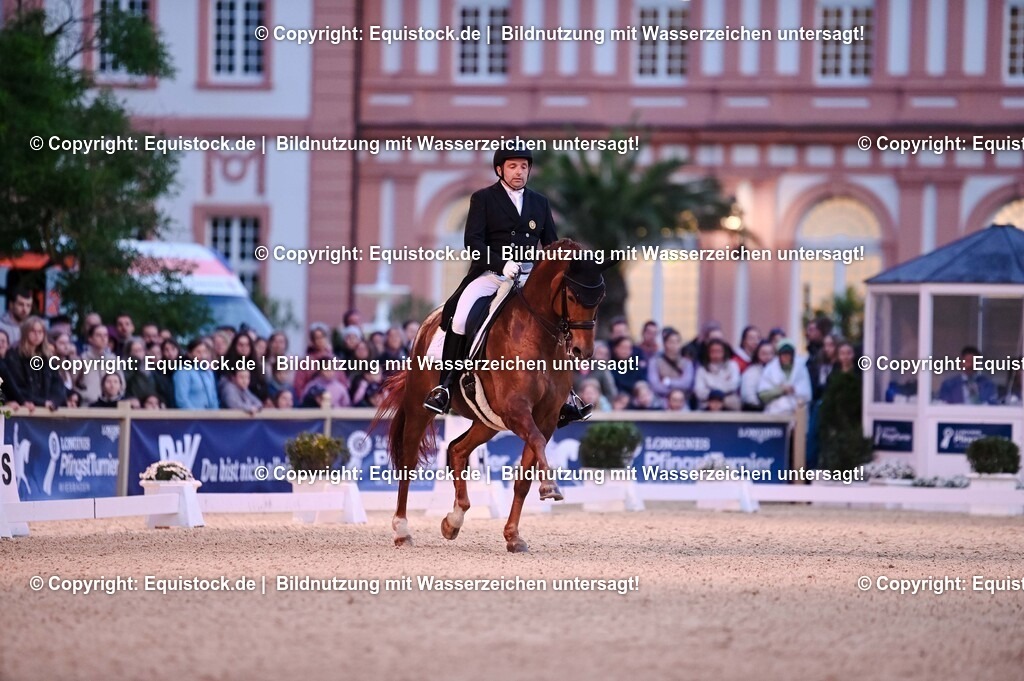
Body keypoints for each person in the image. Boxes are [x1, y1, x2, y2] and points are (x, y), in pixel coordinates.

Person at [425, 142, 557, 415]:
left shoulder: (540, 202)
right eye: (512, 166)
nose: (519, 172)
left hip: (528, 278)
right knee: (461, 317)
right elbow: (473, 242)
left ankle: (566, 395)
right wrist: (501, 263)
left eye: (523, 166)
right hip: (491, 275)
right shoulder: (483, 198)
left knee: (557, 320)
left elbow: (551, 246)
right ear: (500, 170)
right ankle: (445, 387)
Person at [6, 316, 66, 410]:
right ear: (25, 333)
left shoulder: (47, 358)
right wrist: (41, 402)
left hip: (47, 409)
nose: (37, 335)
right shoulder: (14, 356)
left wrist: (53, 401)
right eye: (33, 331)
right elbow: (15, 387)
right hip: (24, 408)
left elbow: (57, 384)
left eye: (40, 332)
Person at [758, 338, 812, 415]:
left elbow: (807, 394)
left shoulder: (801, 369)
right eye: (783, 354)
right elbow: (763, 395)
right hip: (775, 413)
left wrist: (793, 390)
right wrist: (781, 390)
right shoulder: (769, 370)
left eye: (788, 354)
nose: (786, 356)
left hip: (797, 414)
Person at [74, 324, 123, 406]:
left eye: (105, 335)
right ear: (90, 338)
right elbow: (74, 384)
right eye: (99, 335)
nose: (103, 338)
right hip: (87, 404)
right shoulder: (82, 359)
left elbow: (122, 384)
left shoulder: (112, 359)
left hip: (109, 405)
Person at [647, 328, 694, 401]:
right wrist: (671, 394)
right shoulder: (655, 361)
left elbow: (686, 383)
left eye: (677, 342)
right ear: (665, 344)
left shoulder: (687, 363)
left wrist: (668, 382)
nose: (675, 345)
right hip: (661, 399)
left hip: (681, 399)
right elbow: (655, 385)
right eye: (671, 342)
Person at [693, 339, 741, 410]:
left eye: (719, 351)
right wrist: (714, 396)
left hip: (728, 398)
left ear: (724, 352)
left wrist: (716, 393)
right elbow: (699, 391)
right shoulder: (701, 370)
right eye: (713, 351)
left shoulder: (732, 365)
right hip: (708, 401)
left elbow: (734, 384)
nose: (716, 354)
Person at [173, 339, 219, 410]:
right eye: (198, 352)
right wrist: (195, 415)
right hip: (192, 414)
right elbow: (182, 400)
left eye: (205, 352)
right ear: (190, 354)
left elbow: (213, 397)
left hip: (210, 414)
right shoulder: (183, 372)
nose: (202, 355)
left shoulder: (209, 372)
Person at [740, 340, 775, 411]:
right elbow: (749, 396)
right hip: (756, 409)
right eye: (764, 353)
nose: (768, 357)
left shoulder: (777, 370)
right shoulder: (751, 372)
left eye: (770, 353)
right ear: (757, 354)